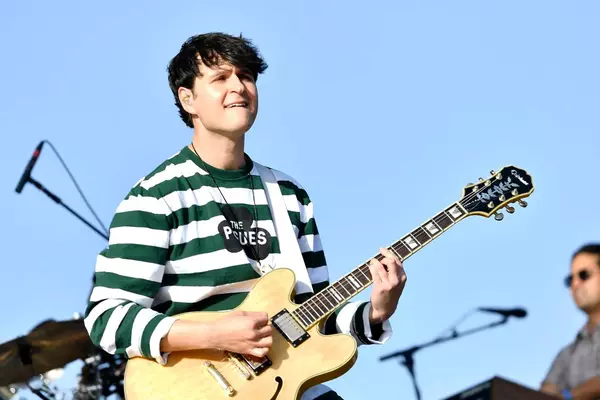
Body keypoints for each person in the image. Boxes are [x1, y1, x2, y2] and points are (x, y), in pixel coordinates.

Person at [83, 32, 407, 400]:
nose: (238, 86)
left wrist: (377, 312)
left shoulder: (289, 196)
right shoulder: (157, 196)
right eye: (220, 78)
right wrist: (214, 334)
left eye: (246, 76)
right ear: (187, 99)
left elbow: (315, 318)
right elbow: (107, 317)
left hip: (287, 384)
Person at [540, 243, 600, 400]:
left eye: (584, 275)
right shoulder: (567, 354)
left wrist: (568, 396)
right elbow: (544, 395)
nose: (575, 284)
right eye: (570, 279)